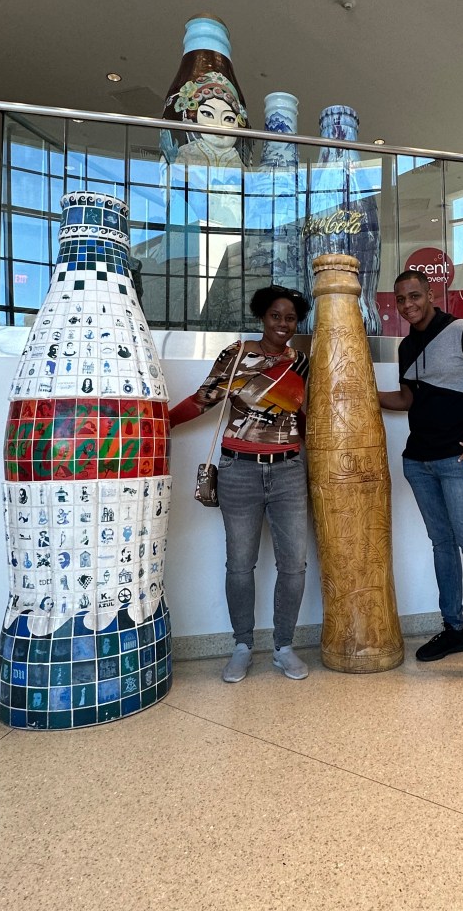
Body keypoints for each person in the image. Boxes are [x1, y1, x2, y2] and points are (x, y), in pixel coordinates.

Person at [378, 270, 463, 691]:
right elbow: (408, 398)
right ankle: (454, 629)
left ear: (431, 294)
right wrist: (363, 392)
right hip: (418, 462)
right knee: (442, 544)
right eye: (401, 299)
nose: (408, 305)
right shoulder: (406, 346)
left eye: (414, 296)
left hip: (459, 459)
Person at [168, 284, 312, 683]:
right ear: (262, 317)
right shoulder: (237, 354)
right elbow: (202, 400)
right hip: (239, 471)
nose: (283, 324)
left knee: (294, 564)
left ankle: (284, 647)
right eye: (275, 316)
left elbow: (302, 417)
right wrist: (160, 423)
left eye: (290, 318)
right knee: (240, 564)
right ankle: (243, 646)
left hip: (289, 471)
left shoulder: (301, 362)